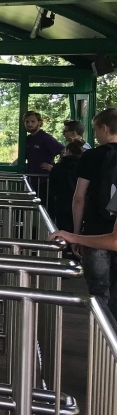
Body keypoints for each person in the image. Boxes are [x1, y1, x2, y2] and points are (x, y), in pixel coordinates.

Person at [70, 109, 117, 314]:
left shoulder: (92, 156)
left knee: (99, 295)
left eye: (95, 129)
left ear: (104, 128)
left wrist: (76, 234)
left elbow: (79, 197)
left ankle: (103, 342)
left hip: (95, 231)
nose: (95, 135)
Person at [47, 142, 84, 233]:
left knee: (64, 228)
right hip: (80, 203)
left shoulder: (58, 167)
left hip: (62, 203)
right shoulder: (84, 166)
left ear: (67, 151)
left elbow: (52, 187)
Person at [23, 110, 64, 176]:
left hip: (44, 179)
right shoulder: (28, 139)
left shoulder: (45, 138)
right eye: (27, 121)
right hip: (31, 177)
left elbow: (63, 150)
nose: (29, 124)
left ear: (39, 123)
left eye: (33, 121)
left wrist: (55, 168)